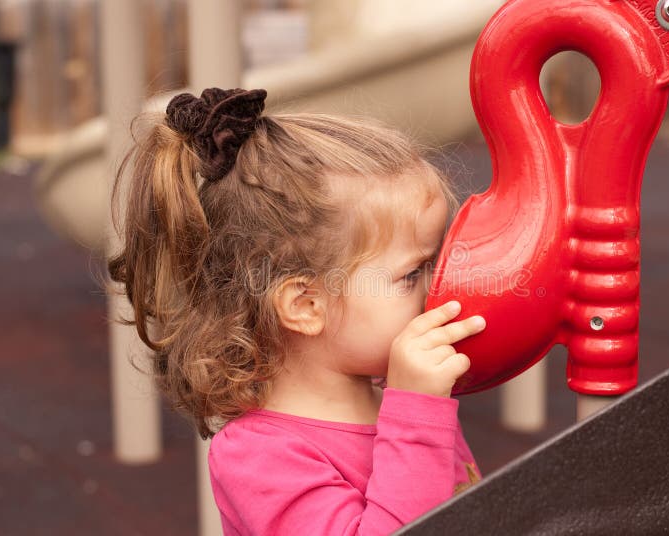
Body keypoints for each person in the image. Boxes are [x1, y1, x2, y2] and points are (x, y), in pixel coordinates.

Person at [105, 87, 486, 535]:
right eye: (411, 274)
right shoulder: (262, 456)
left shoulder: (402, 401)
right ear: (305, 306)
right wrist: (417, 415)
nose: (436, 287)